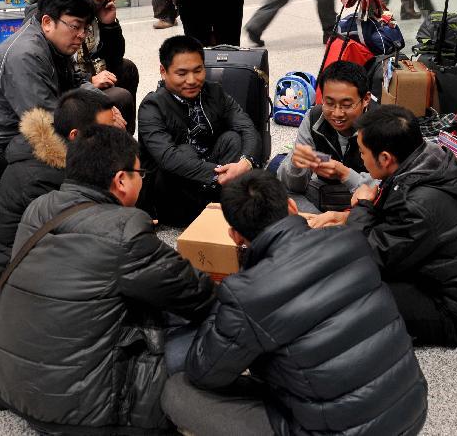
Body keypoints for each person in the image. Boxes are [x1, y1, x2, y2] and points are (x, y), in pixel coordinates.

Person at [161, 170, 428, 436]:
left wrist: (231, 291)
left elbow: (205, 372)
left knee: (178, 392)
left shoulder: (248, 292)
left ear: (234, 235)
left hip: (335, 431)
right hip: (410, 409)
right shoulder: (351, 240)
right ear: (291, 205)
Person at [0, 125, 215, 433]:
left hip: (15, 390)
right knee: (220, 326)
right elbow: (196, 294)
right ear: (121, 180)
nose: (141, 179)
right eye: (140, 173)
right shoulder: (125, 228)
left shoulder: (39, 209)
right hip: (85, 413)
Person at [312, 105, 457, 347]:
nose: (361, 158)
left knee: (345, 289)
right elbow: (390, 230)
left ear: (385, 158)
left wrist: (362, 205)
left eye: (362, 152)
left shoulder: (418, 203)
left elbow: (365, 256)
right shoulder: (429, 161)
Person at [0, 89, 123, 325]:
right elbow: (71, 246)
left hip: (24, 281)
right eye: (107, 130)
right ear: (75, 135)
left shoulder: (58, 156)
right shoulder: (45, 179)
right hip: (3, 305)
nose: (116, 134)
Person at [0, 0, 93, 181]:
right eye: (76, 26)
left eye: (85, 28)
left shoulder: (55, 43)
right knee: (94, 154)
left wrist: (104, 107)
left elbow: (74, 82)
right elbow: (44, 122)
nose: (82, 35)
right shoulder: (25, 55)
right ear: (48, 22)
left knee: (110, 108)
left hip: (19, 131)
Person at [138, 35, 259, 225]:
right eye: (182, 73)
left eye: (198, 70)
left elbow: (247, 127)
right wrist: (220, 173)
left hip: (210, 178)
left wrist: (245, 163)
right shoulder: (152, 106)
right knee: (185, 151)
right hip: (172, 193)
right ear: (163, 71)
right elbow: (167, 157)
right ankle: (218, 205)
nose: (192, 80)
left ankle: (222, 203)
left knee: (232, 139)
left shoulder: (215, 92)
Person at [276, 61, 375, 213]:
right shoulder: (314, 118)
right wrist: (296, 164)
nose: (337, 113)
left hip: (366, 203)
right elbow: (292, 188)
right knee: (279, 190)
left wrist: (345, 174)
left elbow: (389, 188)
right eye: (329, 103)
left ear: (366, 99)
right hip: (323, 196)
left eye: (346, 105)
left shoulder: (381, 126)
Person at [68, 0, 140, 133]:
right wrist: (88, 81)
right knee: (121, 97)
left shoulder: (93, 12)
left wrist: (109, 25)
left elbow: (114, 59)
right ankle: (114, 145)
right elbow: (57, 69)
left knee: (127, 68)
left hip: (87, 74)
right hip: (68, 86)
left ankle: (124, 140)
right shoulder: (59, 14)